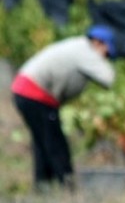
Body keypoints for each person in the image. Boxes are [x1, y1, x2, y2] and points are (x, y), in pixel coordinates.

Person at [10, 24, 117, 190]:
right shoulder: (86, 52)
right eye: (106, 52)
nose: (106, 57)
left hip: (25, 91)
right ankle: (67, 187)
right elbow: (109, 78)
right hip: (34, 95)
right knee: (55, 143)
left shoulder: (77, 46)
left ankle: (43, 187)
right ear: (98, 42)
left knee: (43, 142)